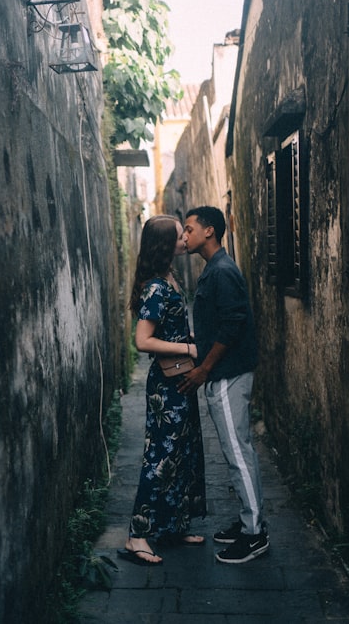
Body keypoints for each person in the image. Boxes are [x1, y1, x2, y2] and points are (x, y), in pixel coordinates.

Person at [177, 206, 268, 564]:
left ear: (209, 231)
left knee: (237, 454)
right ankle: (251, 520)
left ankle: (255, 534)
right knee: (240, 452)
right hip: (224, 372)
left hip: (228, 374)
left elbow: (233, 324)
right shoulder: (215, 270)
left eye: (189, 229)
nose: (184, 236)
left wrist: (203, 369)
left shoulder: (223, 271)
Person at [117, 215, 207, 567]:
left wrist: (188, 341)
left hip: (179, 381)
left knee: (181, 454)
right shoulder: (156, 287)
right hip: (166, 387)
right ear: (165, 243)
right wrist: (188, 349)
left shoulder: (171, 277)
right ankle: (136, 536)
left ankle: (171, 526)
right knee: (160, 459)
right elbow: (143, 341)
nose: (185, 237)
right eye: (179, 233)